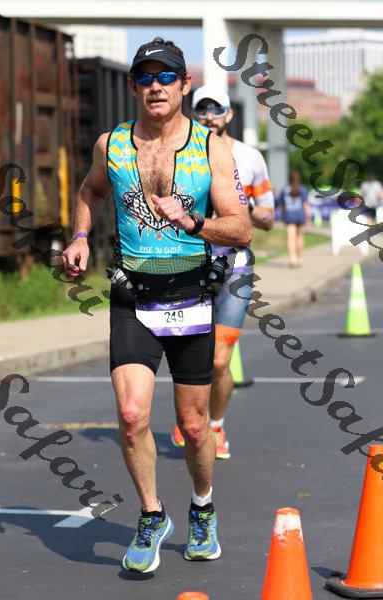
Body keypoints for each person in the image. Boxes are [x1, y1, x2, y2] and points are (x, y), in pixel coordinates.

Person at [62, 38, 251, 573]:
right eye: (145, 77)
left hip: (191, 297)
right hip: (132, 297)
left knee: (193, 426)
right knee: (131, 415)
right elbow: (90, 192)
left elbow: (239, 228)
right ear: (133, 87)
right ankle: (151, 514)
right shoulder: (112, 144)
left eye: (166, 76)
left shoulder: (210, 147)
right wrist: (80, 236)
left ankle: (202, 507)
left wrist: (191, 221)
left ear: (184, 84)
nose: (155, 86)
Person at [171, 85, 274, 459]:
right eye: (202, 110)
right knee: (187, 353)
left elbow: (269, 214)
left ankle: (215, 424)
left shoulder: (249, 157)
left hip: (234, 266)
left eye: (217, 110)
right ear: (193, 114)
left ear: (229, 115)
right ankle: (191, 416)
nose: (209, 117)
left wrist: (249, 211)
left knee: (218, 360)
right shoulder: (179, 153)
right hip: (188, 262)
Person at [276, 172, 311, 268]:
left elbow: (281, 205)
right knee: (299, 237)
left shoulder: (284, 190)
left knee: (291, 238)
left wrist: (282, 216)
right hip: (300, 215)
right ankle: (300, 259)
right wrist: (308, 218)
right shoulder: (302, 189)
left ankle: (293, 259)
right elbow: (306, 205)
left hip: (289, 216)